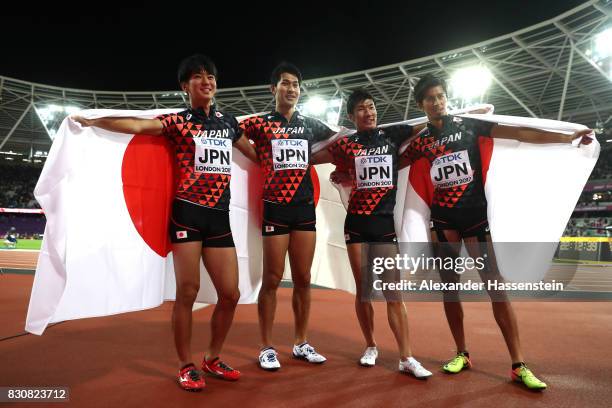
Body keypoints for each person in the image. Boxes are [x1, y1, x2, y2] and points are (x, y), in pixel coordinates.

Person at [72, 54, 258, 392]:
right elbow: (138, 126)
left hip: (219, 219)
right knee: (186, 292)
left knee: (230, 294)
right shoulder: (176, 122)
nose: (207, 81)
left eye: (211, 77)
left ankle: (212, 358)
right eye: (198, 77)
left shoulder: (229, 123)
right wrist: (94, 120)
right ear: (185, 86)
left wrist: (309, 158)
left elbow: (257, 156)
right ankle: (186, 364)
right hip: (186, 215)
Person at [399, 73, 592, 390]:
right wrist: (344, 172)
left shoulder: (468, 126)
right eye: (430, 98)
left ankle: (518, 364)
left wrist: (565, 138)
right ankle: (461, 353)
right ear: (422, 104)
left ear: (446, 98)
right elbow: (390, 164)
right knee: (450, 290)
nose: (437, 102)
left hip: (475, 219)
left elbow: (518, 132)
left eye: (441, 96)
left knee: (496, 288)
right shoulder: (420, 143)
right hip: (443, 223)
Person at [311, 89, 433, 378]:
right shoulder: (346, 145)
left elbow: (426, 125)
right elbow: (319, 158)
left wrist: (465, 117)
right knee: (364, 291)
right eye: (362, 109)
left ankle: (406, 356)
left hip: (383, 227)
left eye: (372, 106)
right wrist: (337, 174)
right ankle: (370, 345)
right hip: (356, 225)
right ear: (352, 117)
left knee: (393, 292)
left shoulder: (393, 135)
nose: (369, 112)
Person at [240, 62, 338, 371]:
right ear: (274, 89)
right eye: (285, 83)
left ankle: (301, 342)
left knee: (303, 279)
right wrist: (256, 156)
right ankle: (266, 346)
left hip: (304, 208)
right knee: (271, 278)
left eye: (296, 83)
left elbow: (345, 142)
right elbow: (226, 131)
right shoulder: (260, 123)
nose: (292, 88)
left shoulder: (311, 125)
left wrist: (317, 158)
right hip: (275, 208)